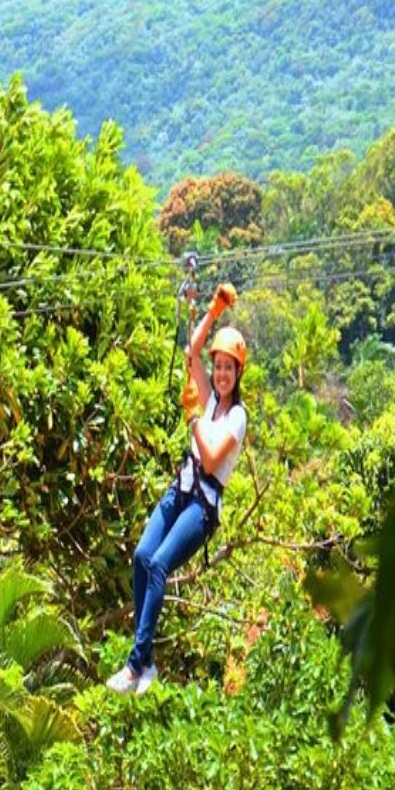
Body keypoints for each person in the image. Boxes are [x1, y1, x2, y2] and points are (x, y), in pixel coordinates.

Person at [106, 284, 247, 694]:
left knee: (160, 564)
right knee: (141, 556)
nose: (219, 375)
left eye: (227, 368)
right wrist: (214, 309)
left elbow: (211, 457)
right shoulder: (211, 404)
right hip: (180, 490)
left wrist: (194, 419)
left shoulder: (235, 416)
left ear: (239, 373)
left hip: (202, 507)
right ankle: (145, 660)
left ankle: (135, 665)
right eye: (217, 367)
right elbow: (191, 351)